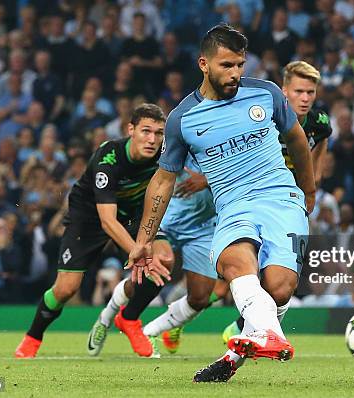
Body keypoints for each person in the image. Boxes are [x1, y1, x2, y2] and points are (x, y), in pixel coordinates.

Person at [126, 25, 315, 382]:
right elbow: (163, 179)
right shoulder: (183, 118)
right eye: (227, 65)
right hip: (232, 208)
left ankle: (236, 353)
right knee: (233, 264)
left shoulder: (267, 94)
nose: (236, 74)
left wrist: (310, 192)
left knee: (278, 288)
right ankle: (268, 336)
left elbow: (297, 139)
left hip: (281, 199)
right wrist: (143, 240)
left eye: (240, 65)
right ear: (203, 64)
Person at [14, 104, 171, 358]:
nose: (152, 139)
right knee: (66, 288)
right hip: (89, 218)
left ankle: (129, 319)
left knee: (163, 261)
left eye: (159, 133)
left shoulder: (165, 153)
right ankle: (33, 336)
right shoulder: (109, 157)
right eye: (145, 131)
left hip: (133, 216)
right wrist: (137, 250)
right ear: (130, 129)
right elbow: (107, 221)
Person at [222, 60, 331, 341]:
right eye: (299, 91)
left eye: (310, 92)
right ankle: (252, 326)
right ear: (284, 91)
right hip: (253, 198)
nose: (305, 98)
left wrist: (310, 192)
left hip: (290, 204)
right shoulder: (265, 116)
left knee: (280, 277)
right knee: (241, 268)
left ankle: (246, 329)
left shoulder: (319, 124)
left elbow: (315, 164)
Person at [87, 153, 219, 358]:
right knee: (162, 263)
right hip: (164, 219)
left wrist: (208, 179)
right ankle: (108, 316)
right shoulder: (179, 133)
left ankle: (150, 332)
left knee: (200, 298)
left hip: (203, 226)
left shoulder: (229, 137)